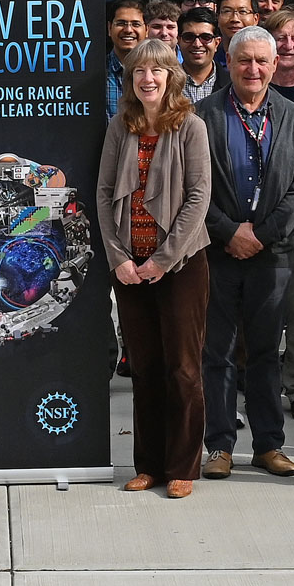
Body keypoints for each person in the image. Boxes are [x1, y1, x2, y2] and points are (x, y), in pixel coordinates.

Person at [99, 40, 216, 498]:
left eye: (157, 71)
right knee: (144, 368)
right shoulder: (119, 127)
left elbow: (198, 197)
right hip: (130, 269)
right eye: (139, 72)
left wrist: (161, 260)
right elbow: (105, 193)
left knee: (184, 369)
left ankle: (183, 465)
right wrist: (120, 259)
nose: (148, 79)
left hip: (182, 265)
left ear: (171, 77)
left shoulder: (190, 126)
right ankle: (147, 464)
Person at [199, 25, 294, 480]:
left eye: (261, 61)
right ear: (229, 62)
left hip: (274, 254)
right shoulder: (202, 116)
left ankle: (269, 445)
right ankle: (220, 446)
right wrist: (229, 231)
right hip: (216, 252)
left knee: (267, 353)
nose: (253, 69)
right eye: (243, 60)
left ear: (275, 65)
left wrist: (261, 235)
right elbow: (191, 187)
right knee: (218, 352)